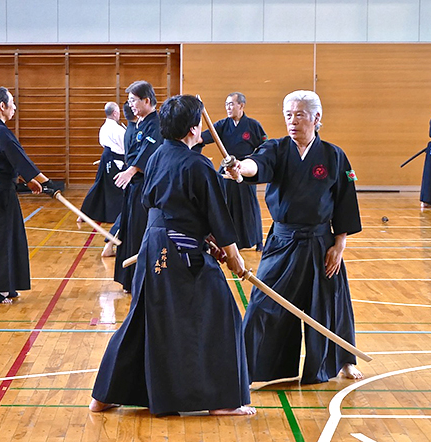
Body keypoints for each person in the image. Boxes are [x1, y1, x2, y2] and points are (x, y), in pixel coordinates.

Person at [90, 95, 255, 416]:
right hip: (182, 254)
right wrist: (235, 258)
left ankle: (106, 394)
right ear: (195, 128)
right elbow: (219, 218)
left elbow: (153, 203)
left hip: (153, 247)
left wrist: (203, 237)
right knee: (223, 315)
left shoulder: (156, 156)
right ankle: (222, 401)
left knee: (143, 317)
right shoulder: (198, 164)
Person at [226, 90, 364, 384]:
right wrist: (240, 169)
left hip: (320, 243)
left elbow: (345, 202)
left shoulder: (333, 155)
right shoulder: (276, 149)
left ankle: (343, 360)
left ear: (316, 118)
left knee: (330, 304)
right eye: (288, 115)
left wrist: (339, 245)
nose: (292, 121)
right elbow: (256, 165)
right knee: (263, 304)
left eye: (299, 114)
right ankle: (247, 368)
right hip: (283, 243)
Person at [0, 87, 62, 304]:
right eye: (12, 103)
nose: (15, 108)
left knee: (6, 238)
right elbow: (21, 160)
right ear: (2, 106)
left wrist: (29, 180)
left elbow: (9, 161)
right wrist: (46, 183)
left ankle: (6, 285)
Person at [200, 92, 267, 251]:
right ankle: (224, 240)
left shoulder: (253, 125)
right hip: (227, 170)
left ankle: (257, 240)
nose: (228, 107)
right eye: (226, 104)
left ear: (241, 106)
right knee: (222, 203)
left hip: (244, 170)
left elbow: (265, 147)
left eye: (231, 104)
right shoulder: (222, 125)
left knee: (249, 206)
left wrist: (252, 163)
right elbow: (204, 138)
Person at [113, 81, 162, 292]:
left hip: (146, 186)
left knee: (141, 231)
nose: (130, 104)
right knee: (130, 230)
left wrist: (131, 170)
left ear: (146, 100)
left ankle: (142, 280)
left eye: (133, 100)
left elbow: (150, 151)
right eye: (129, 100)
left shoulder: (156, 123)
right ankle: (130, 280)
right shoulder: (140, 123)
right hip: (134, 186)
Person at [78, 102, 127, 225]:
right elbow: (124, 148)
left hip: (106, 158)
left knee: (99, 185)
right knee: (117, 187)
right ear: (115, 113)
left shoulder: (104, 127)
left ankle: (83, 214)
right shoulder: (117, 129)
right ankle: (116, 217)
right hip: (115, 161)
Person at [101, 103, 137, 257]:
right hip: (128, 171)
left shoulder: (128, 129)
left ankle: (110, 244)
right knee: (129, 209)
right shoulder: (129, 131)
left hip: (122, 167)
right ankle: (110, 244)